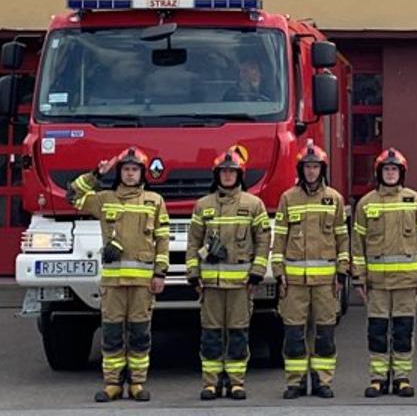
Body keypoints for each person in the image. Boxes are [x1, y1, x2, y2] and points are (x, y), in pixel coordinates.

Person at [68, 147, 170, 403]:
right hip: (113, 284)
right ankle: (112, 384)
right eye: (126, 169)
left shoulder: (155, 201)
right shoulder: (105, 199)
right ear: (119, 173)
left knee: (139, 333)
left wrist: (160, 273)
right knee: (112, 333)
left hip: (142, 284)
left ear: (142, 173)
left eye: (134, 169)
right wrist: (96, 174)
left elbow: (163, 240)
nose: (130, 174)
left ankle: (137, 383)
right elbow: (72, 195)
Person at [187, 145, 271, 401]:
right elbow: (193, 242)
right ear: (217, 175)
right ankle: (210, 383)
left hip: (241, 285)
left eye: (232, 172)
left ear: (239, 175)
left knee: (238, 333)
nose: (227, 175)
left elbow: (263, 241)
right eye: (223, 172)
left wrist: (257, 272)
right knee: (211, 334)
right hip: (210, 285)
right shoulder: (203, 205)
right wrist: (193, 273)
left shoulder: (254, 205)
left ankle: (236, 382)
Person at [269, 142, 350, 399]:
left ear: (322, 169)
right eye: (307, 167)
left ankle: (322, 382)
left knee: (324, 334)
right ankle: (295, 382)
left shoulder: (334, 199)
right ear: (301, 169)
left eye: (315, 167)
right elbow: (279, 239)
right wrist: (278, 272)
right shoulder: (288, 198)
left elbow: (342, 238)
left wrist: (342, 272)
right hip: (294, 283)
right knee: (294, 334)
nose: (311, 171)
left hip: (326, 283)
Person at [349, 148, 417, 398]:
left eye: (394, 169)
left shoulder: (416, 201)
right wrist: (359, 278)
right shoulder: (366, 203)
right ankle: (378, 378)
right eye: (386, 169)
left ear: (402, 173)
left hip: (407, 283)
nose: (390, 173)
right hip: (377, 285)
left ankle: (402, 378)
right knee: (377, 331)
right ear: (379, 173)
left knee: (403, 330)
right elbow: (357, 244)